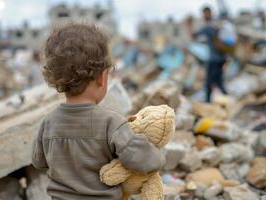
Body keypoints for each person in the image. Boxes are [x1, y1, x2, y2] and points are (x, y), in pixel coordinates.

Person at [31, 23, 165, 200]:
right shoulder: (111, 122)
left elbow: (38, 161)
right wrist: (156, 150)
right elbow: (145, 161)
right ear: (102, 77)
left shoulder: (48, 123)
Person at [190, 7, 228, 102]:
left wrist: (188, 25)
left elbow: (194, 35)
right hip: (222, 58)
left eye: (204, 13)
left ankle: (208, 102)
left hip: (214, 59)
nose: (203, 16)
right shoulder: (218, 24)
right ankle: (227, 99)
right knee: (218, 82)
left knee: (209, 83)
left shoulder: (208, 27)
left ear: (207, 13)